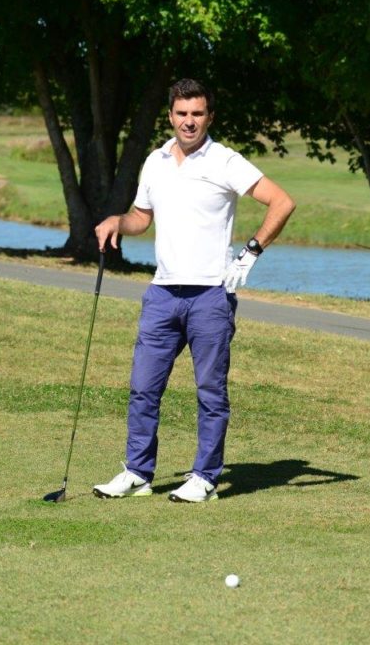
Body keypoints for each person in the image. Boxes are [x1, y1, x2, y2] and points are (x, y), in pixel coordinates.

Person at [92, 78, 296, 502]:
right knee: (143, 388)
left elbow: (282, 202)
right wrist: (117, 222)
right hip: (162, 293)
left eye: (197, 114)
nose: (189, 121)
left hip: (210, 296)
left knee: (210, 392)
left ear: (210, 117)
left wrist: (250, 252)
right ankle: (137, 472)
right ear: (170, 116)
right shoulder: (155, 161)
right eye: (182, 113)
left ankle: (205, 477)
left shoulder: (225, 161)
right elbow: (141, 217)